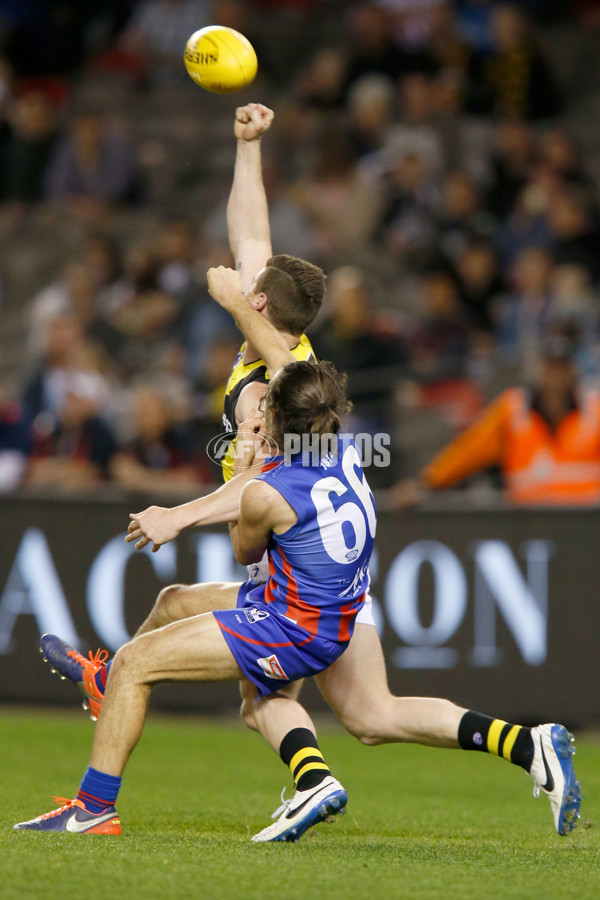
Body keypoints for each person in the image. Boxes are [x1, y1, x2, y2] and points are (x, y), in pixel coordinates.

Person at [38, 104, 581, 841]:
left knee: (247, 690)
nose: (241, 268)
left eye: (248, 285)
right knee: (367, 710)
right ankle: (526, 742)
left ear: (257, 303)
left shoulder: (272, 386)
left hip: (289, 579)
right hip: (330, 582)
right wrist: (247, 148)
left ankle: (106, 799)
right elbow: (251, 232)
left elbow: (254, 498)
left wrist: (182, 513)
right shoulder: (298, 369)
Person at [15, 358, 373, 837]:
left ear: (281, 422)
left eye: (267, 403)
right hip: (323, 611)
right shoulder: (346, 448)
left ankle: (92, 809)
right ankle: (104, 687)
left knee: (135, 663)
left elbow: (244, 547)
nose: (260, 406)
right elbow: (283, 481)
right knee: (173, 601)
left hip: (289, 624)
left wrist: (244, 458)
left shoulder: (268, 493)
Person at [391, 335, 600, 506]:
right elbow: (470, 449)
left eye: (561, 369)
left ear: (572, 372)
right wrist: (425, 483)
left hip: (585, 529)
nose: (555, 378)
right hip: (529, 529)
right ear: (539, 371)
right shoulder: (514, 410)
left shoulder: (594, 410)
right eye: (550, 369)